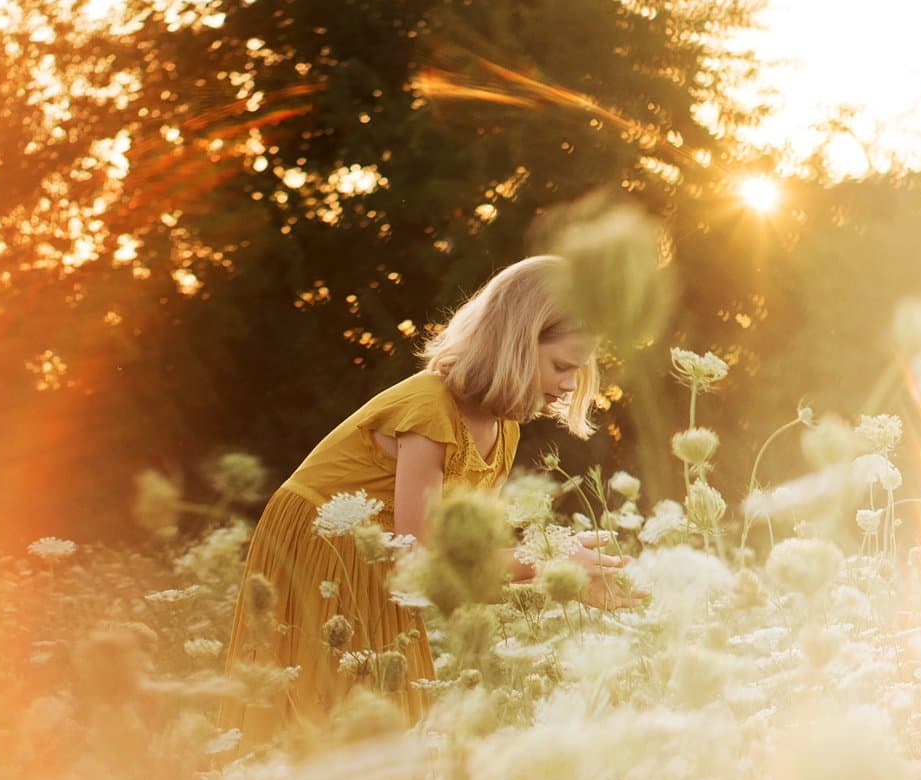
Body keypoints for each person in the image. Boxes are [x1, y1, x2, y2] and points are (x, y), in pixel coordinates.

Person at [222, 255, 628, 738]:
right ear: (516, 342)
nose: (568, 384)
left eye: (577, 372)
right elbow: (419, 561)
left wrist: (569, 579)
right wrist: (548, 559)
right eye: (562, 366)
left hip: (384, 557)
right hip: (322, 546)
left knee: (389, 713)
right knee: (326, 711)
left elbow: (464, 567)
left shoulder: (505, 434)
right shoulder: (429, 410)